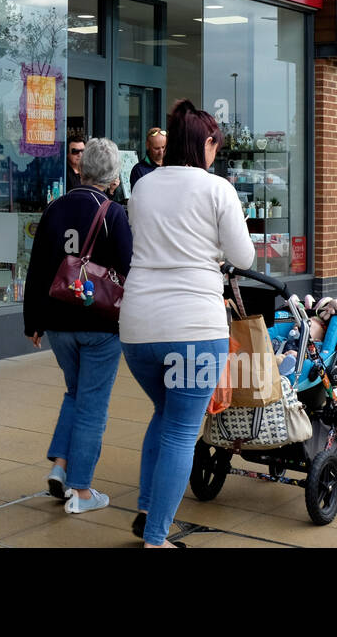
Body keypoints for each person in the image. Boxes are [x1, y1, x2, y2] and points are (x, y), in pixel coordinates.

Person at [121, 100, 254, 547]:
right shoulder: (217, 190)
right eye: (216, 142)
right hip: (195, 329)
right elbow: (244, 257)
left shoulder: (142, 187)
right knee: (181, 428)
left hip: (138, 329)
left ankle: (145, 509)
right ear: (205, 143)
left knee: (164, 414)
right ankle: (156, 538)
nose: (217, 150)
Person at [23, 138, 132, 514]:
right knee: (92, 405)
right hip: (101, 324)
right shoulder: (114, 214)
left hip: (58, 323)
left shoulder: (55, 208)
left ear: (81, 169)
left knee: (76, 392)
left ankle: (61, 464)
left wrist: (32, 321)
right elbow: (129, 270)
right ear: (113, 177)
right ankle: (81, 492)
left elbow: (36, 269)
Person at [129, 127, 167, 191]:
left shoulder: (172, 166)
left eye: (163, 147)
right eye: (156, 148)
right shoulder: (138, 170)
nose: (161, 152)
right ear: (147, 145)